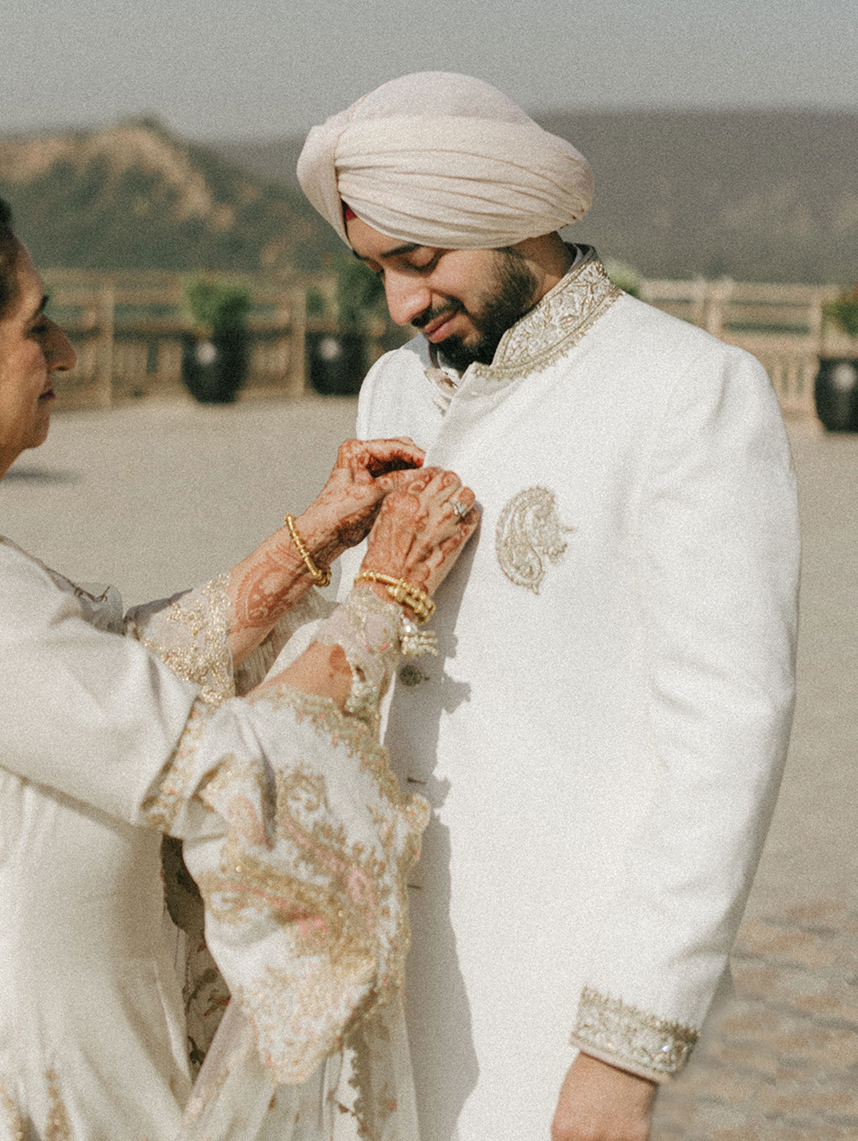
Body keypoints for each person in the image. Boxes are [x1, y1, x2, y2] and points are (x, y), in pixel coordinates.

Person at [0, 167, 481, 1141]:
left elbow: (85, 685)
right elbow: (225, 766)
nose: (63, 349)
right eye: (35, 324)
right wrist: (384, 598)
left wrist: (303, 545)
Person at [298, 73, 799, 1141]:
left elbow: (725, 736)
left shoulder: (686, 390)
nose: (400, 304)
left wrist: (625, 1044)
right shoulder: (394, 388)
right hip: (380, 979)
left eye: (418, 259)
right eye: (378, 269)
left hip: (554, 999)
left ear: (507, 212)